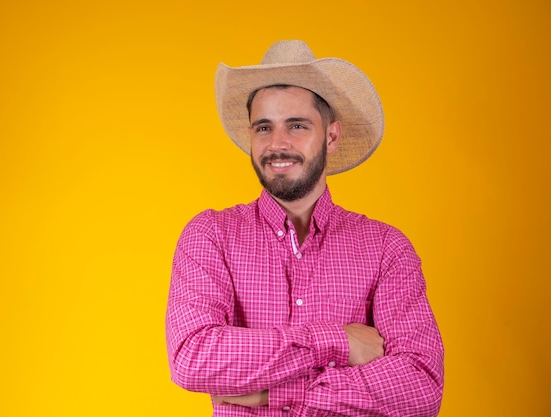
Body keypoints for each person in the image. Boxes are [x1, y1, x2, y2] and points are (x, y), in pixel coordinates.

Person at [165, 40, 444, 417]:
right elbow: (192, 357)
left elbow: (421, 385)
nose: (277, 144)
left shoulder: (385, 248)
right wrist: (338, 341)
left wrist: (277, 395)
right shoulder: (210, 235)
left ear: (331, 136)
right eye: (264, 127)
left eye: (296, 125)